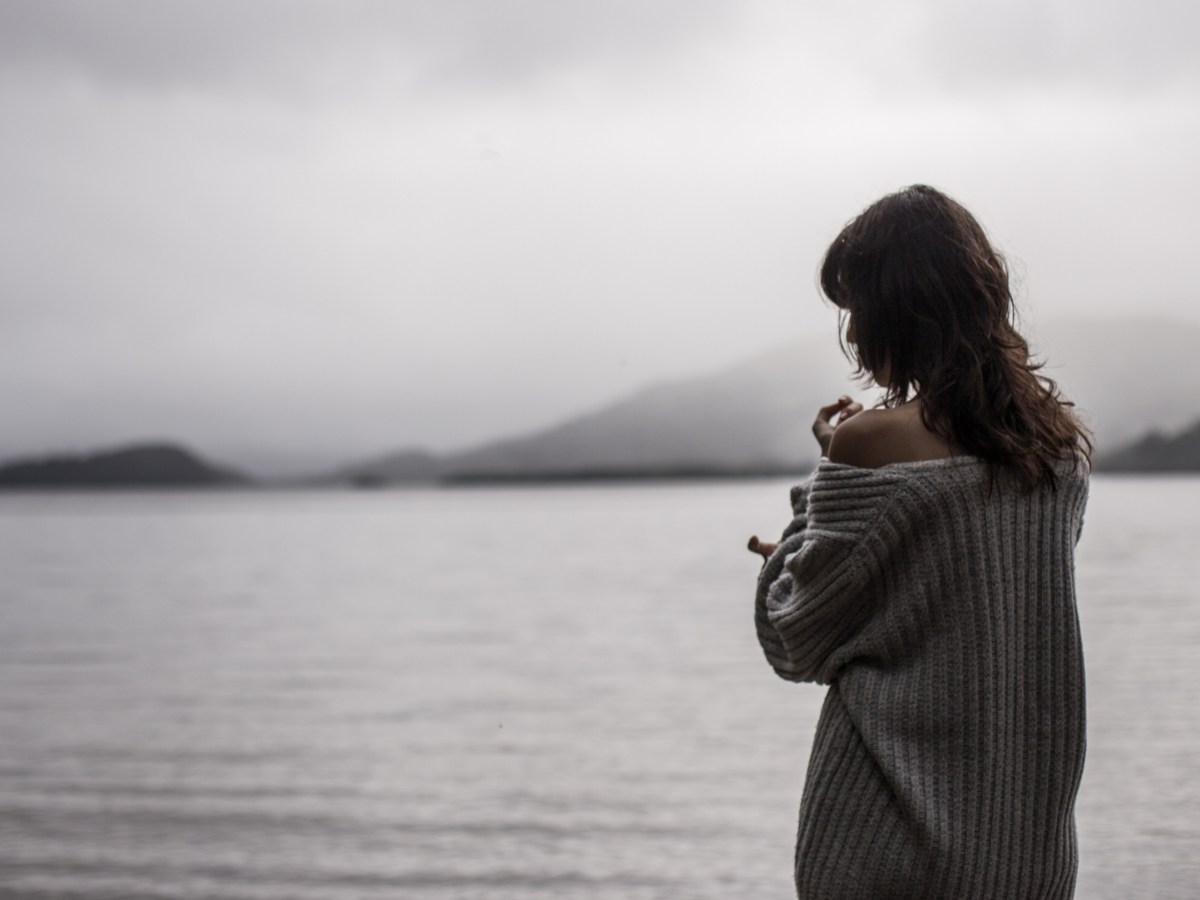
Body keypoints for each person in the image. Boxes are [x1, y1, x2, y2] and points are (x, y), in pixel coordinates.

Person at [747, 185, 1092, 899]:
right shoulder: (1059, 446)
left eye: (856, 309)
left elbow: (797, 639)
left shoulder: (868, 443)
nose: (852, 332)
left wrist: (812, 506)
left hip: (885, 843)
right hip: (1025, 848)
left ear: (893, 310)